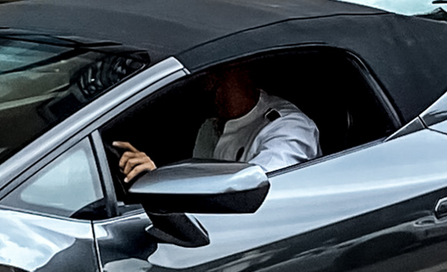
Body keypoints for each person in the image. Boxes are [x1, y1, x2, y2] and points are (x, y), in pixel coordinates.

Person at [111, 62, 319, 185]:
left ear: (242, 70)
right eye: (206, 75)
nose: (208, 83)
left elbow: (256, 190)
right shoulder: (209, 127)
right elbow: (198, 185)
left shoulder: (288, 128)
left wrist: (162, 178)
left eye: (218, 74)